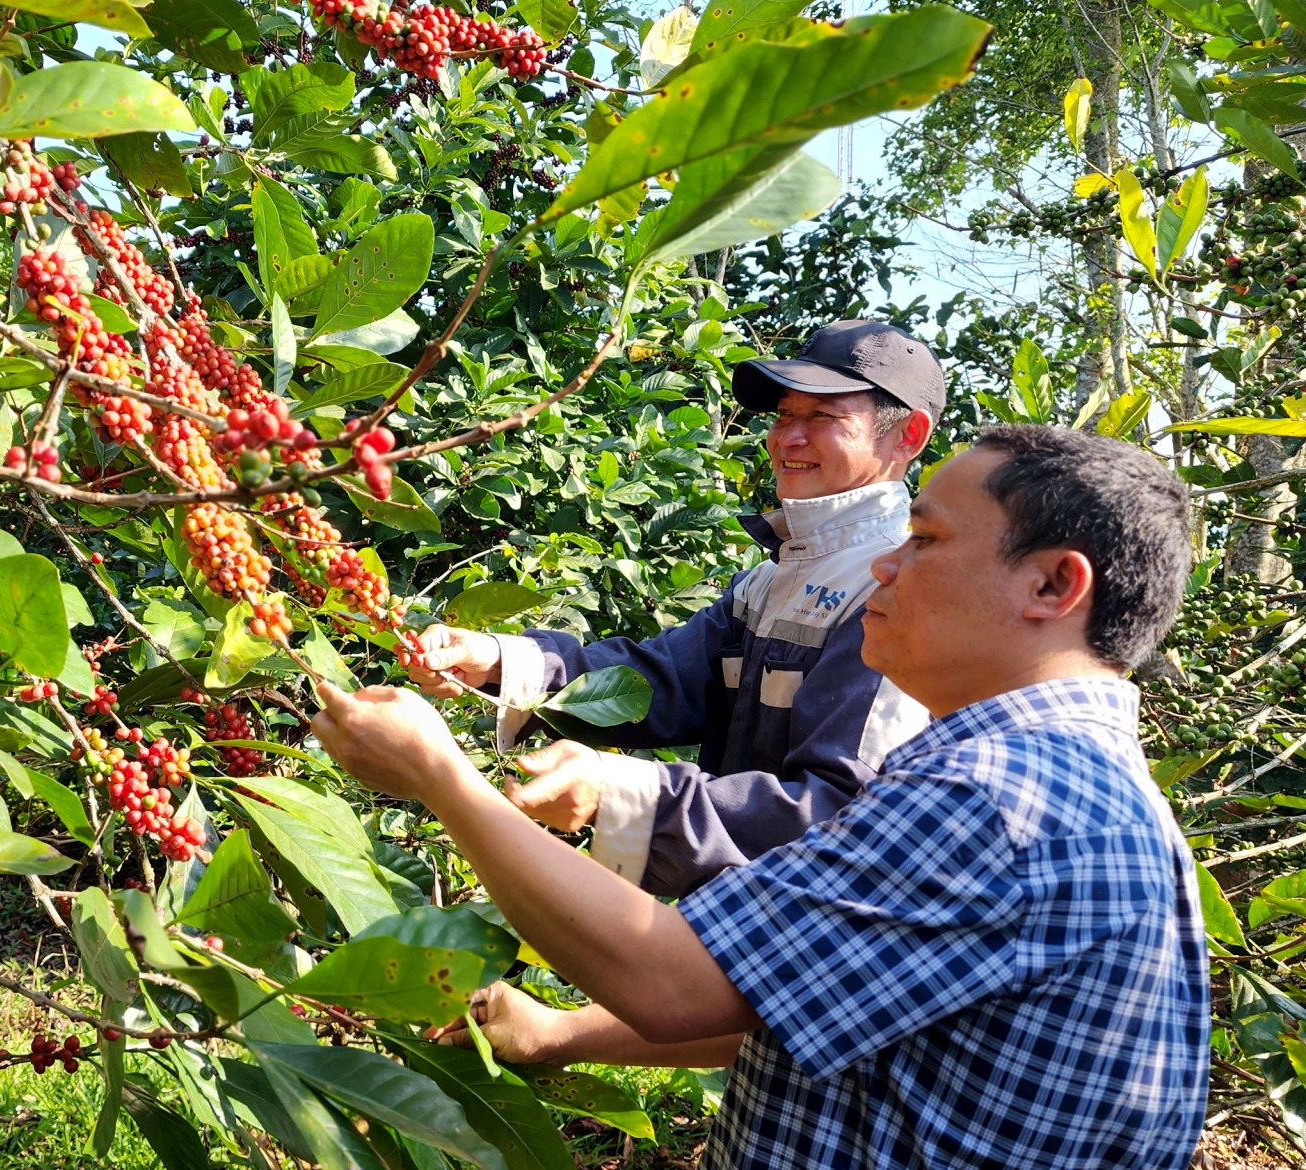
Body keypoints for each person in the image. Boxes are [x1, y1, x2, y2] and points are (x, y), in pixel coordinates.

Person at [314, 426, 1208, 1169]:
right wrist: (560, 1035)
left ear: (1052, 584)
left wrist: (441, 776)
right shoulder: (1056, 775)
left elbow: (671, 981)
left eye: (926, 541)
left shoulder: (1000, 796)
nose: (887, 566)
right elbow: (819, 995)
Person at [407, 319, 945, 896]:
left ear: (907, 436)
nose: (787, 437)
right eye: (784, 415)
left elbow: (842, 816)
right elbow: (659, 680)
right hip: (740, 916)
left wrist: (624, 794)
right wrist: (498, 659)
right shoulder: (772, 580)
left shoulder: (892, 592)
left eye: (822, 416)